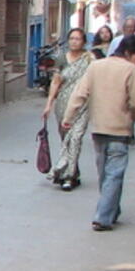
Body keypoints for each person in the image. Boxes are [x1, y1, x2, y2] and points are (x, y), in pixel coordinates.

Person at [64, 35, 135, 232]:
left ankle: (112, 210)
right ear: (129, 53)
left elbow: (79, 93)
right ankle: (103, 217)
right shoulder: (132, 70)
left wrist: (68, 117)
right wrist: (131, 118)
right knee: (114, 174)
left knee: (105, 173)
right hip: (120, 129)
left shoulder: (96, 66)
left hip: (99, 129)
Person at [42, 27, 94, 191]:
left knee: (76, 138)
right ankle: (73, 170)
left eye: (78, 39)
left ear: (84, 41)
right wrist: (49, 104)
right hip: (63, 105)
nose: (74, 41)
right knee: (67, 140)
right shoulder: (61, 59)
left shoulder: (89, 59)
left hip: (82, 105)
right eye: (71, 38)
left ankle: (68, 176)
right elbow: (56, 82)